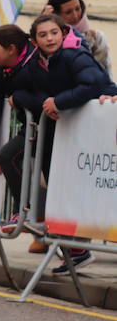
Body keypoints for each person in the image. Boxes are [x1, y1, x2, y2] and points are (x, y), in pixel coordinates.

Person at [16, 14, 117, 274]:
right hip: (63, 136)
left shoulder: (75, 56)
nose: (49, 38)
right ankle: (75, 252)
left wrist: (59, 102)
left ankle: (79, 250)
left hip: (90, 134)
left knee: (86, 192)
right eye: (43, 34)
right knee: (62, 190)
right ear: (34, 39)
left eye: (54, 33)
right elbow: (22, 88)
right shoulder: (36, 63)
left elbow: (94, 85)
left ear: (63, 33)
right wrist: (37, 101)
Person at [0, 25, 40, 248]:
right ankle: (24, 212)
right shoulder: (1, 69)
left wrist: (21, 97)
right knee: (6, 156)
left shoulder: (37, 61)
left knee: (53, 180)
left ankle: (74, 248)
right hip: (33, 129)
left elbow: (46, 94)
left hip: (56, 128)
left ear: (12, 49)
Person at [44, 0, 111, 74]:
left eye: (77, 9)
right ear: (56, 15)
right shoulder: (48, 40)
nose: (75, 16)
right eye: (68, 12)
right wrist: (45, 25)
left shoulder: (96, 38)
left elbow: (104, 73)